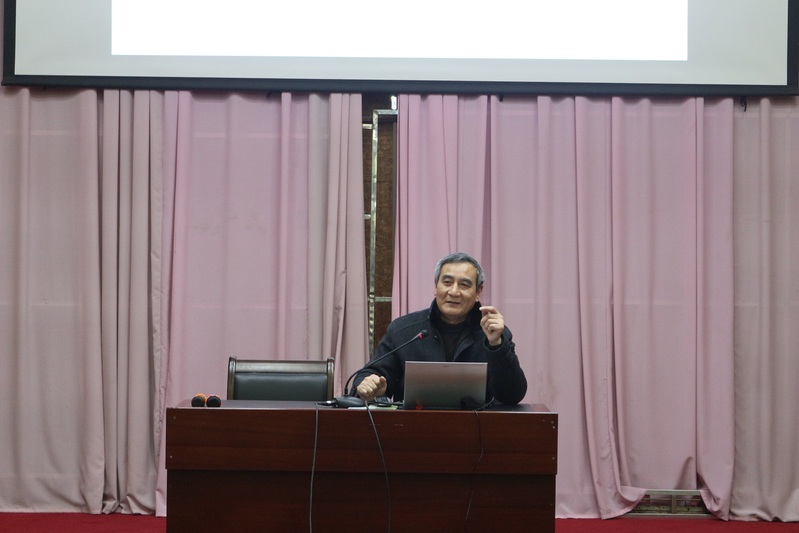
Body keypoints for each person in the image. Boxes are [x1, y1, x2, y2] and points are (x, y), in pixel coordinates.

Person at [354, 252, 527, 405]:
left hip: (477, 427)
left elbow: (512, 396)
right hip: (413, 426)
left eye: (464, 285)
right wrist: (368, 386)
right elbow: (370, 375)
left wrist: (496, 345)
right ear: (436, 287)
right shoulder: (403, 330)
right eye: (447, 282)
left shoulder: (494, 333)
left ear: (478, 292)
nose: (454, 292)